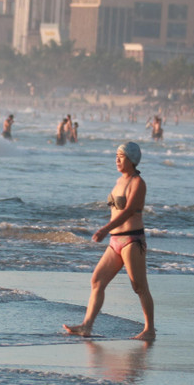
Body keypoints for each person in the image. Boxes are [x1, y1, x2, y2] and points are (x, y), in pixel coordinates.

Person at [64, 142, 157, 341]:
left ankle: (149, 330)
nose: (117, 159)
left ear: (132, 160)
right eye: (116, 155)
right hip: (115, 241)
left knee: (139, 287)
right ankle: (86, 326)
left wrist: (105, 229)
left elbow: (130, 210)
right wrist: (109, 231)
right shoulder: (118, 181)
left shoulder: (137, 183)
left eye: (121, 156)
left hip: (132, 240)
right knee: (97, 280)